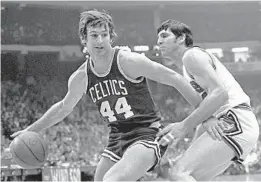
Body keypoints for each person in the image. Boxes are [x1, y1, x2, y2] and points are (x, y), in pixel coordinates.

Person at [11, 10, 201, 181]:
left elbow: (174, 77)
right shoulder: (81, 77)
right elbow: (63, 108)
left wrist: (203, 112)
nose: (100, 40)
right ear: (84, 39)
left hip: (147, 133)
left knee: (112, 180)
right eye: (94, 35)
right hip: (117, 137)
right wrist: (32, 129)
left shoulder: (128, 61)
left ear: (111, 37)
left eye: (104, 35)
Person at [156, 19, 260, 181]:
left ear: (181, 38)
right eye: (158, 38)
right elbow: (207, 104)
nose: (159, 41)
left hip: (235, 120)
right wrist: (204, 123)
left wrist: (183, 126)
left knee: (178, 172)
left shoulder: (191, 56)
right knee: (181, 174)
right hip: (232, 122)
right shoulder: (186, 66)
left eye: (164, 35)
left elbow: (220, 94)